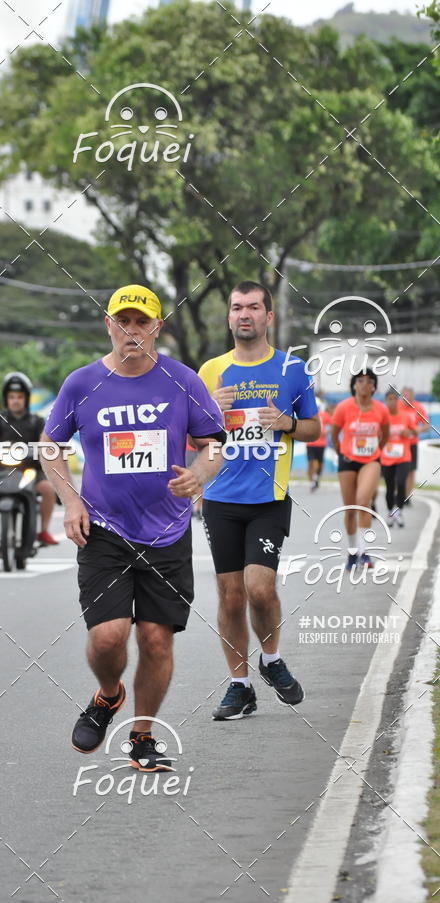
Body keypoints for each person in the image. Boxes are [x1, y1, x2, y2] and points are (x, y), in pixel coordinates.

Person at [40, 284, 225, 771]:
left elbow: (214, 445)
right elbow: (50, 445)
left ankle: (142, 737)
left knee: (156, 641)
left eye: (142, 322)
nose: (132, 331)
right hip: (103, 530)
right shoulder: (82, 384)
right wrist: (70, 500)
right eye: (123, 322)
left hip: (167, 532)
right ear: (109, 326)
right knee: (107, 638)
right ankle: (108, 695)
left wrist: (200, 473)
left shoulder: (182, 381)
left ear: (157, 327)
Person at [198, 281, 320, 721]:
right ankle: (240, 686)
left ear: (269, 316)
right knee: (230, 596)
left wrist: (286, 423)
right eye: (236, 308)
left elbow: (314, 430)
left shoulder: (292, 369)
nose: (243, 314)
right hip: (220, 497)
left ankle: (271, 659)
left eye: (253, 307)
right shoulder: (209, 371)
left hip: (269, 497)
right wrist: (211, 409)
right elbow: (191, 435)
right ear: (228, 317)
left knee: (260, 589)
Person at [0, 372, 58, 547]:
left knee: (48, 489)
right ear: (6, 399)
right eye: (11, 397)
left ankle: (43, 531)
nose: (15, 400)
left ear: (26, 398)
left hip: (31, 471)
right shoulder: (0, 419)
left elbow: (47, 442)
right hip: (3, 471)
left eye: (19, 397)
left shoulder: (36, 421)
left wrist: (49, 450)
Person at [331, 370, 390, 570]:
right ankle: (352, 552)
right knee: (350, 510)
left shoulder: (381, 410)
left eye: (369, 382)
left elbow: (386, 434)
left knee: (363, 502)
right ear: (354, 385)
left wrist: (377, 451)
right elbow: (335, 433)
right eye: (361, 381)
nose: (365, 385)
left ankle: (365, 554)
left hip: (371, 460)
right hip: (347, 460)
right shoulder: (343, 408)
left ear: (374, 386)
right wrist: (341, 451)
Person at [381, 388, 416, 527]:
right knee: (389, 487)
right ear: (385, 401)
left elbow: (413, 432)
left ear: (398, 400)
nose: (392, 402)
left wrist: (408, 432)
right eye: (389, 399)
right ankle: (390, 512)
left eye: (395, 399)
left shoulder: (405, 416)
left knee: (401, 483)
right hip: (386, 457)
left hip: (403, 456)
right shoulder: (382, 417)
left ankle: (399, 512)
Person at [398, 387, 428, 505]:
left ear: (412, 396)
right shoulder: (397, 406)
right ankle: (399, 494)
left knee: (410, 472)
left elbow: (426, 424)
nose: (406, 399)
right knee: (398, 471)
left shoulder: (418, 407)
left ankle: (407, 496)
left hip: (412, 444)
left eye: (409, 396)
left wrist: (417, 430)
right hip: (399, 444)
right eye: (404, 396)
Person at [306, 401, 332, 491]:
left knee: (320, 464)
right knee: (311, 462)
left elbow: (332, 425)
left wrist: (326, 432)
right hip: (310, 442)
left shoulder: (324, 415)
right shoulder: (308, 415)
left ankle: (316, 478)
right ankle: (311, 482)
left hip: (321, 444)